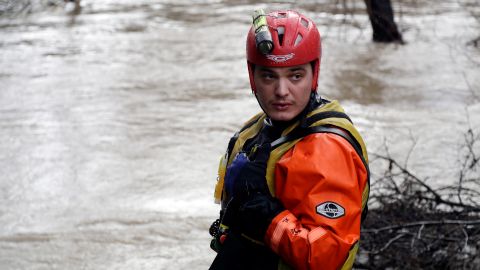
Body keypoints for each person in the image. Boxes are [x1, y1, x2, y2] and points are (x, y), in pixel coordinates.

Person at [209, 9, 369, 270]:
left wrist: (266, 215)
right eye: (269, 76)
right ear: (253, 78)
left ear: (313, 75)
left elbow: (325, 258)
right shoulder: (256, 129)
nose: (282, 92)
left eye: (296, 76)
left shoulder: (327, 149)